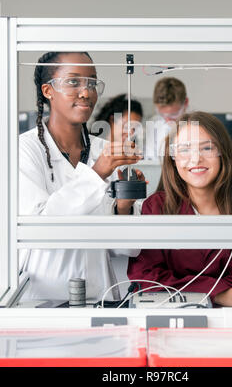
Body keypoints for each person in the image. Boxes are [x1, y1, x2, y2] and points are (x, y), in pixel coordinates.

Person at [19, 51, 144, 302]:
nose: (86, 92)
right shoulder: (23, 150)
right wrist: (97, 174)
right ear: (47, 90)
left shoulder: (103, 150)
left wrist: (124, 208)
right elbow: (42, 229)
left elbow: (129, 248)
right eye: (73, 82)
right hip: (42, 299)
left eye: (92, 82)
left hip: (102, 295)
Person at [128, 111, 232, 308]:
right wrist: (217, 293)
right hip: (179, 318)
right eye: (184, 150)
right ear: (173, 158)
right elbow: (145, 279)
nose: (196, 160)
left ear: (223, 152)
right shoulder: (157, 207)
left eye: (206, 148)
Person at [146, 77, 189, 159]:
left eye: (174, 114)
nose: (167, 120)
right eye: (162, 114)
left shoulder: (198, 124)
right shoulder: (154, 123)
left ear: (186, 103)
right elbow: (150, 159)